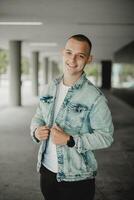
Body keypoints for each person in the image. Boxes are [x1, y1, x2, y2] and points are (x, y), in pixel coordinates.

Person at [30, 34, 114, 200]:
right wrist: (36, 131)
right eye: (69, 52)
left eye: (80, 55)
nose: (72, 59)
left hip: (77, 179)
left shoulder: (94, 97)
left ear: (89, 59)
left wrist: (70, 140)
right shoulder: (51, 86)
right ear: (63, 52)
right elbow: (38, 116)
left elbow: (106, 136)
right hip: (46, 172)